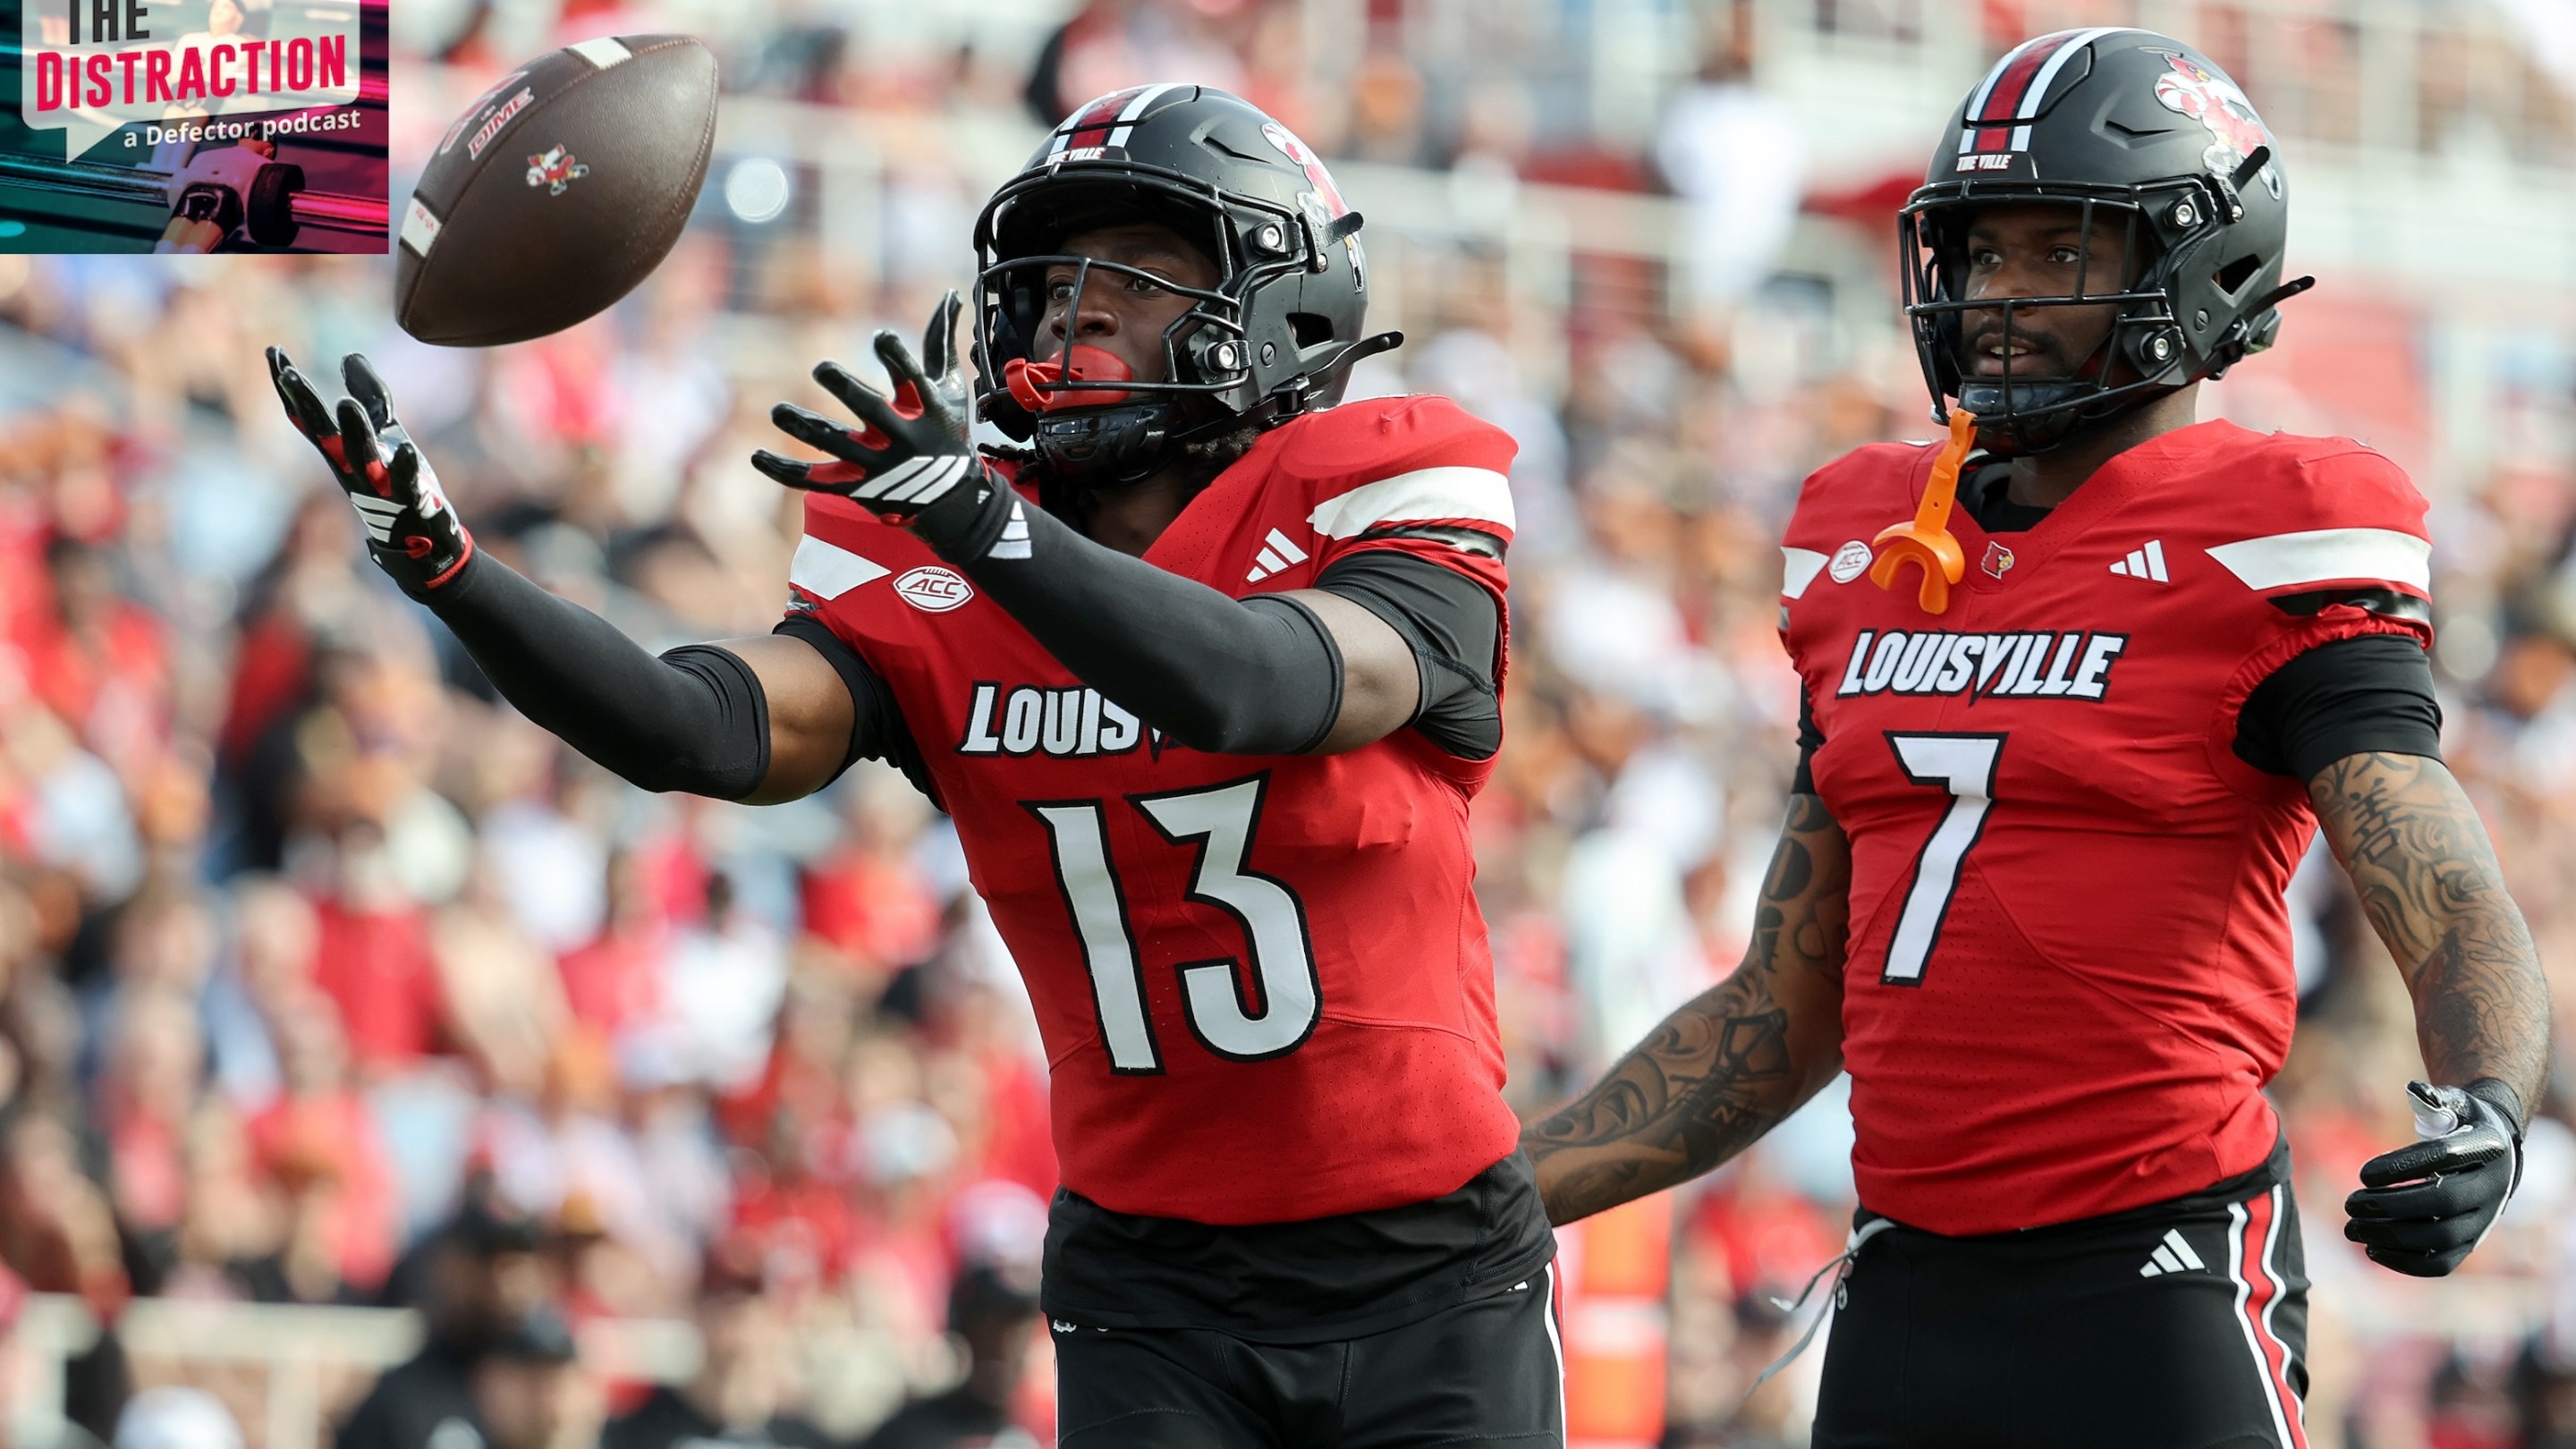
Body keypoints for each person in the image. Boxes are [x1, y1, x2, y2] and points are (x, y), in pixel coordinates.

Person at [271, 84, 1561, 1446]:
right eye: (1057, 278)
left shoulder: (1377, 478)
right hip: (1153, 1280)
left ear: (1287, 308)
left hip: (1429, 1267)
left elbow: (1259, 685)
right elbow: (695, 728)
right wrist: (454, 575)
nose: (1082, 308)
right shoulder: (937, 545)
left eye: (1148, 270)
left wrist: (975, 517)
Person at [1521, 29, 2550, 1449]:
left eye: (2056, 255)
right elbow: (1783, 1007)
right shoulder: (1869, 540)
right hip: (1902, 1290)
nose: (1998, 298)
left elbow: (2444, 895)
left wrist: (2485, 1100)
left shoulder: (2272, 523)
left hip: (2155, 1283)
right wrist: (1489, 1189)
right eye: (1980, 253)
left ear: (2200, 268)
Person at [335, 1199, 550, 1449]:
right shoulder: (403, 1402)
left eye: (523, 1264)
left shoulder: (552, 1395)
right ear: (450, 1268)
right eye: (493, 1263)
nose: (513, 1285)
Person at [601, 1237, 835, 1449]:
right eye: (723, 1300)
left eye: (749, 1300)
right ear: (699, 1312)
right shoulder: (642, 1425)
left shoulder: (807, 1436)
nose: (738, 1318)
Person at [859, 1259, 1043, 1449]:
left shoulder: (1053, 1425)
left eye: (1019, 1332)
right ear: (966, 1334)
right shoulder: (912, 1432)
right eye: (990, 1330)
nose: (1004, 1347)